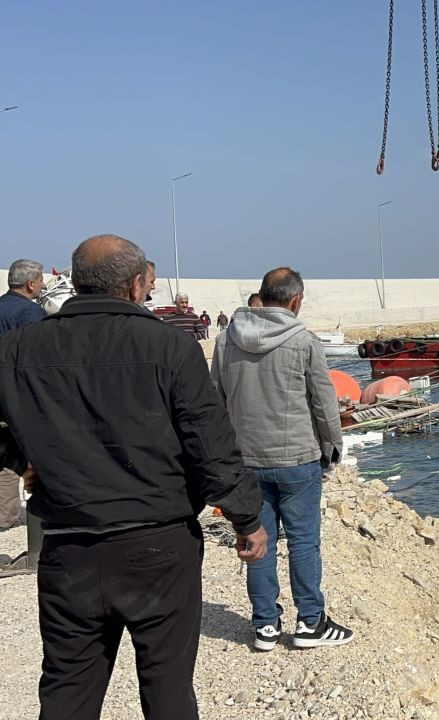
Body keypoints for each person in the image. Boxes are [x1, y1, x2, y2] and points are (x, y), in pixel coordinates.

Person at [0, 234, 266, 720]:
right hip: (158, 543)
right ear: (136, 283)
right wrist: (247, 517)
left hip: (68, 543)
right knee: (167, 689)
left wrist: (22, 460)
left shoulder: (19, 348)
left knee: (68, 690)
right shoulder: (169, 345)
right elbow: (209, 440)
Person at [211, 267, 351, 652]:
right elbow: (323, 403)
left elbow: (216, 403)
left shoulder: (226, 340)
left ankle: (265, 626)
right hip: (297, 458)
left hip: (247, 460)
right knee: (304, 541)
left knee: (259, 539)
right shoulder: (303, 341)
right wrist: (332, 448)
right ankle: (310, 622)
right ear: (295, 301)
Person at [0, 259, 45, 532]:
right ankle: (8, 518)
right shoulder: (30, 312)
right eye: (40, 280)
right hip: (16, 395)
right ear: (31, 283)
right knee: (13, 458)